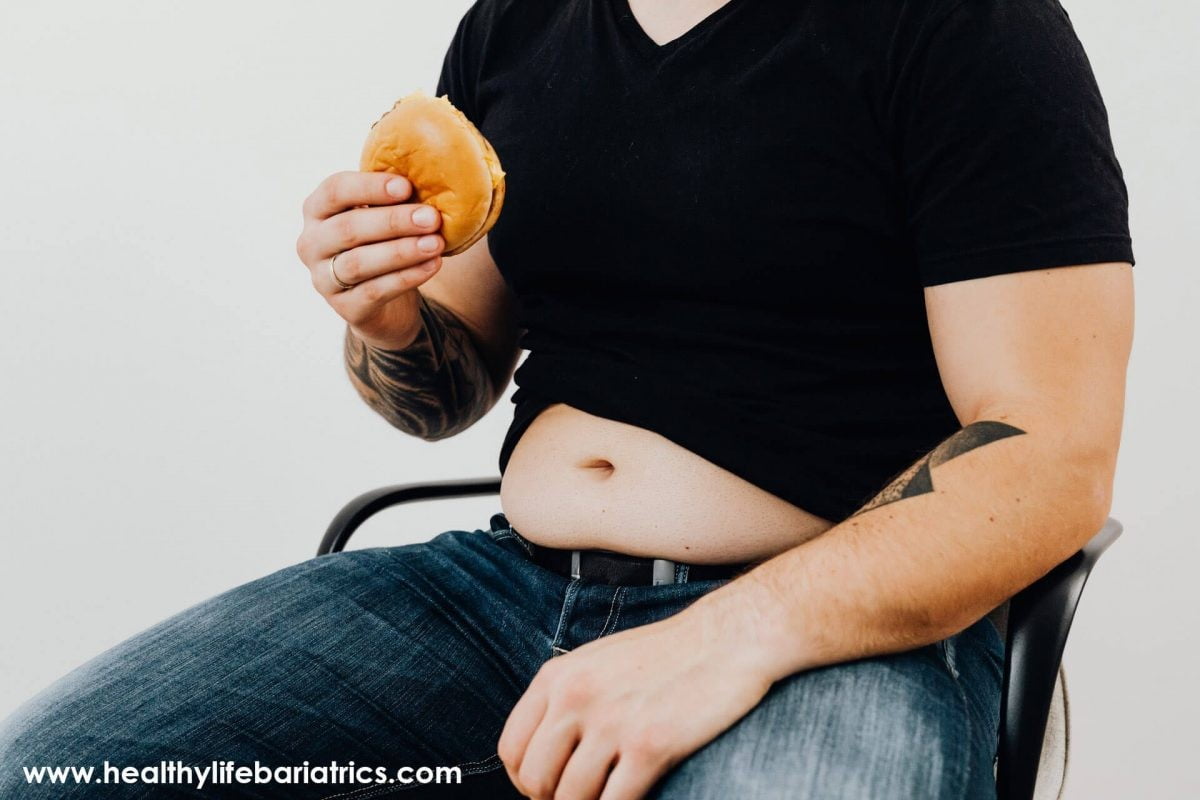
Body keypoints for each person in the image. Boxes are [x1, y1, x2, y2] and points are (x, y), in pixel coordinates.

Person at [0, 0, 1135, 797]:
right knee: (52, 771)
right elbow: (443, 390)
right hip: (497, 598)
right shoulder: (517, 24)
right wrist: (386, 318)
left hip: (826, 632)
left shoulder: (966, 27)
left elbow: (1052, 455)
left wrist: (722, 639)